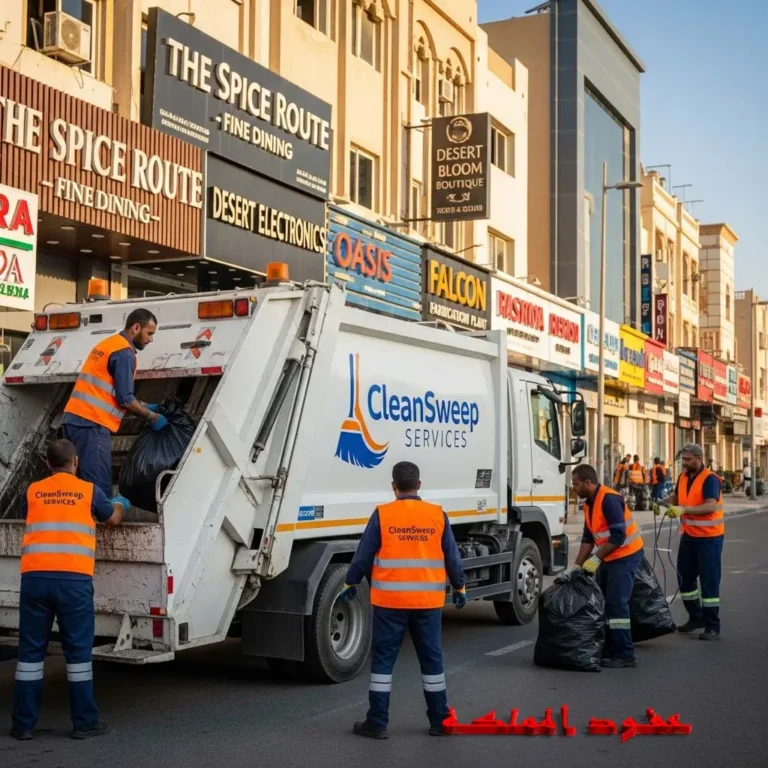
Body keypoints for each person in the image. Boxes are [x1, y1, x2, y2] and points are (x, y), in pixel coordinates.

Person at [11, 439, 130, 740]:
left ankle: (23, 725)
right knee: (77, 654)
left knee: (29, 655)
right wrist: (120, 503)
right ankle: (84, 722)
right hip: (74, 581)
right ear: (76, 462)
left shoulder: (32, 491)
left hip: (35, 580)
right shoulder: (89, 491)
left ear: (48, 464)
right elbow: (112, 519)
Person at [340, 461, 466, 739]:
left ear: (393, 486)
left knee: (383, 662)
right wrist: (459, 587)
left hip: (389, 602)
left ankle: (377, 722)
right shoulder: (436, 514)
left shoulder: (383, 514)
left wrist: (351, 581)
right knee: (432, 661)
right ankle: (439, 720)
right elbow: (452, 555)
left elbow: (363, 554)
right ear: (419, 485)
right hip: (427, 603)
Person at [62, 308, 167, 499]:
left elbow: (113, 391)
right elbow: (125, 399)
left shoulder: (109, 344)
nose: (151, 339)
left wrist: (143, 404)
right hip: (92, 423)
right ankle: (104, 524)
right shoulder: (125, 353)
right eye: (149, 333)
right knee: (99, 485)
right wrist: (152, 416)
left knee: (78, 484)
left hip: (73, 419)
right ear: (136, 328)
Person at [572, 464, 644, 668]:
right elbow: (588, 537)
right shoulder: (589, 503)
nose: (573, 488)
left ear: (588, 482)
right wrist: (577, 566)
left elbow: (619, 536)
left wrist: (595, 559)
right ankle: (612, 648)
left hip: (626, 555)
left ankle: (625, 654)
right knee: (605, 601)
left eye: (576, 484)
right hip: (609, 555)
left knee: (616, 602)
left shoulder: (610, 499)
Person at [656, 443, 724, 641]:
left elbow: (710, 506)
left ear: (698, 458)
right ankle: (696, 617)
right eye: (682, 459)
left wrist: (683, 510)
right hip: (690, 536)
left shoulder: (710, 479)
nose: (684, 463)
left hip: (709, 538)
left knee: (709, 583)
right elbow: (677, 497)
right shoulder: (683, 476)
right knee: (684, 578)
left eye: (687, 459)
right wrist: (662, 503)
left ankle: (713, 625)